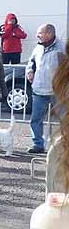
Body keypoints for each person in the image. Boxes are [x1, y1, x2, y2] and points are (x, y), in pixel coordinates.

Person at [27, 24, 65, 155]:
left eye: (40, 33)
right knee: (35, 119)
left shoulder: (62, 47)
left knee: (64, 119)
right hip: (39, 89)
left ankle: (64, 145)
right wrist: (29, 71)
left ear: (49, 33)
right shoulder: (38, 47)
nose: (37, 35)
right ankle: (38, 144)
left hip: (58, 91)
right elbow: (30, 62)